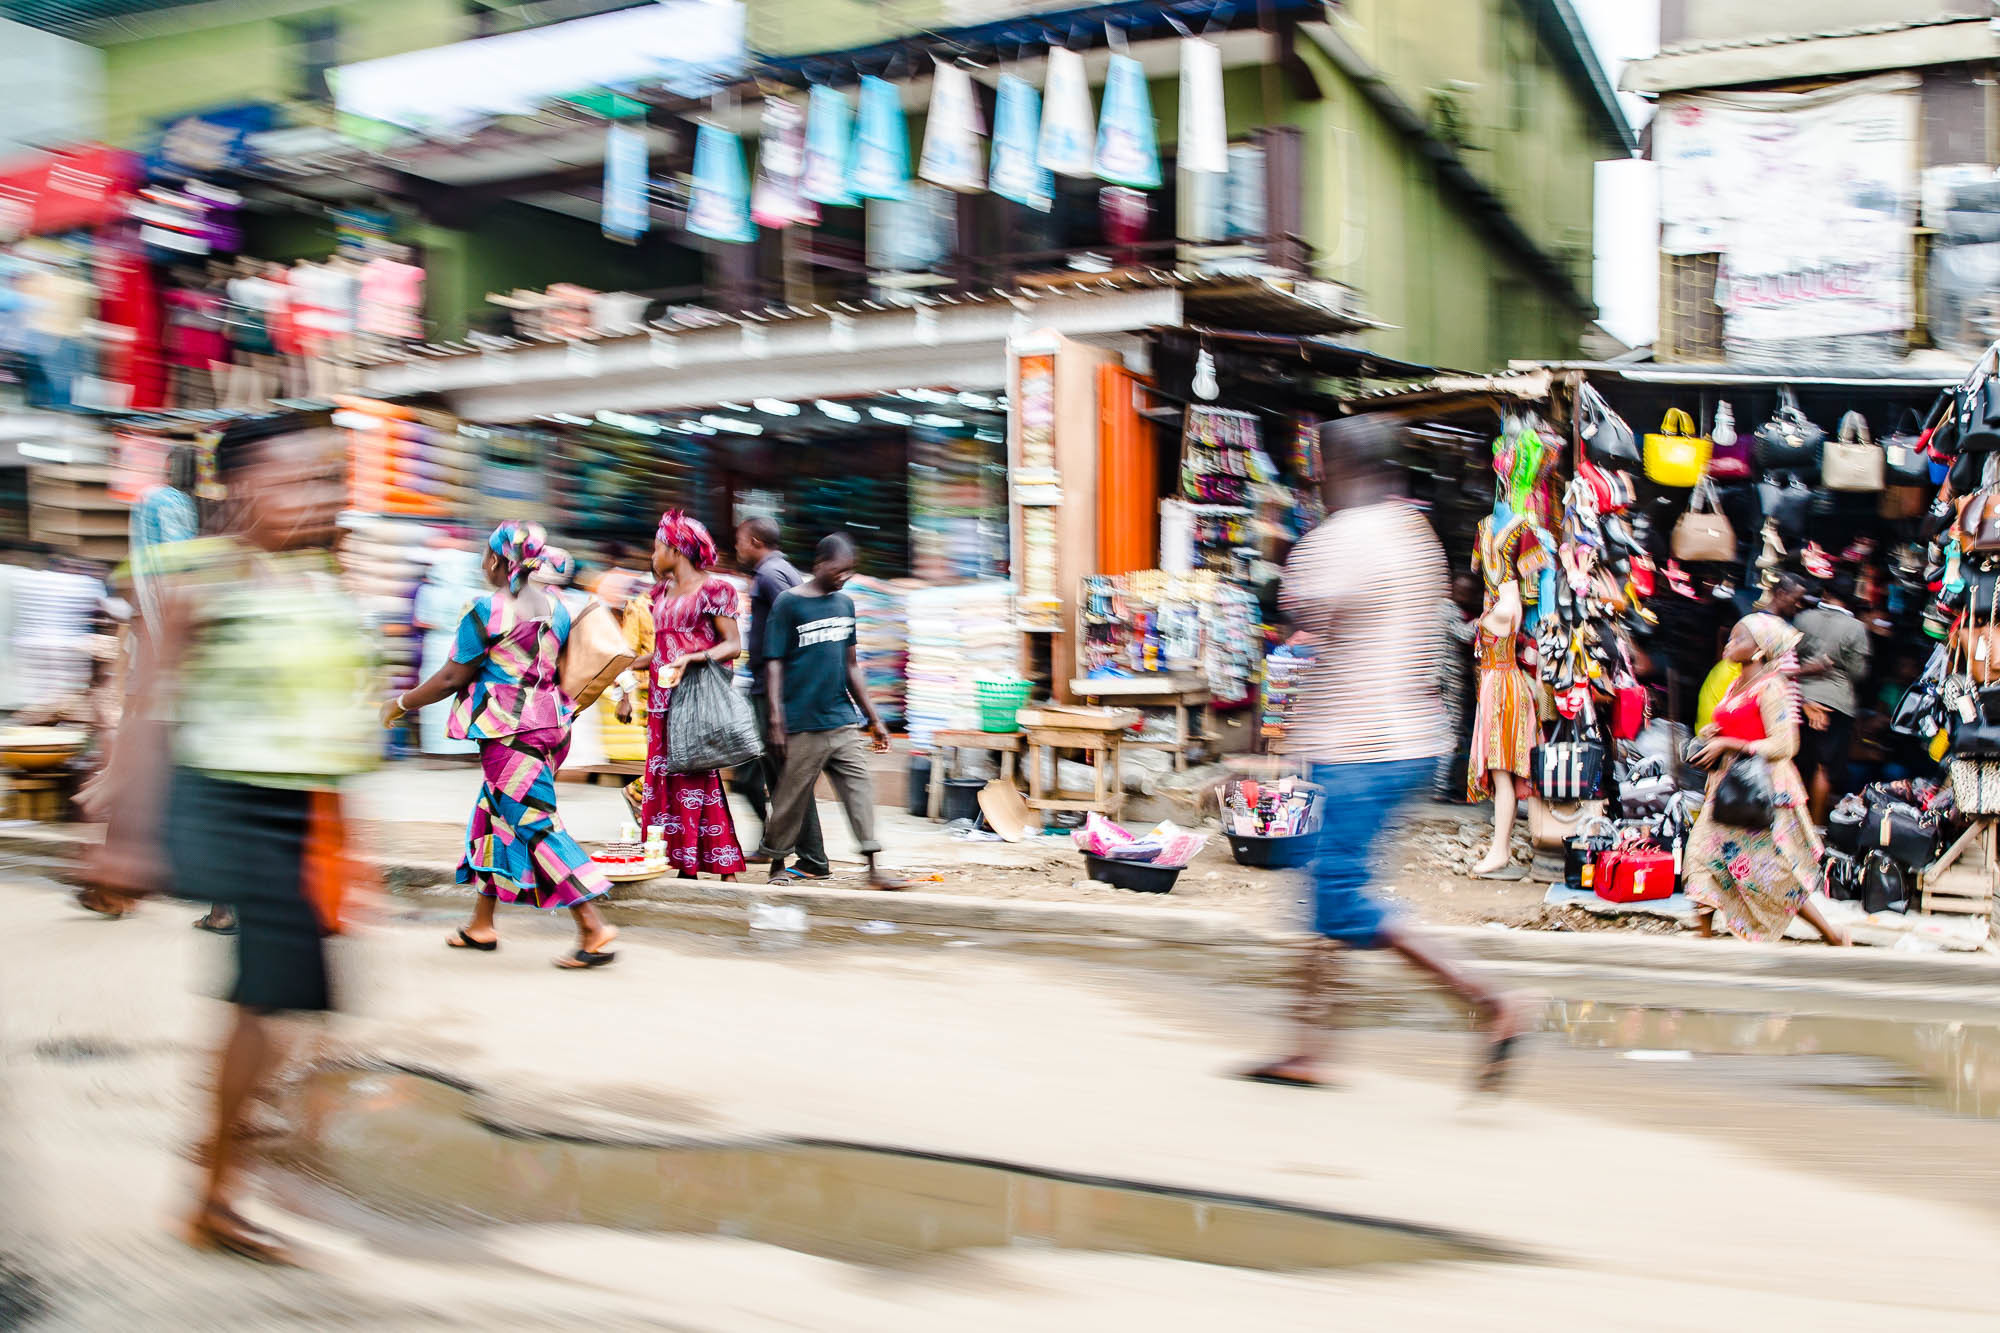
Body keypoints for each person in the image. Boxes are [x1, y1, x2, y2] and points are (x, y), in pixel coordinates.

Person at [147, 414, 377, 1262]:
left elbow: (339, 727)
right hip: (228, 800)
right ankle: (213, 1189)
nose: (317, 494)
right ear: (241, 486)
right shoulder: (202, 578)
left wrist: (351, 848)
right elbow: (149, 705)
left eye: (323, 480)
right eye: (297, 478)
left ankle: (219, 1154)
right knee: (266, 1001)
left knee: (283, 1004)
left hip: (299, 812)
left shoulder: (317, 581)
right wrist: (121, 833)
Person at [1244, 414, 1529, 1092]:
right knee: (1325, 892)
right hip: (1403, 739)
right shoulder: (1414, 532)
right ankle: (1307, 1045)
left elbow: (1295, 613)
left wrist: (1272, 529)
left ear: (1335, 468)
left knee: (1339, 899)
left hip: (1358, 745)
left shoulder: (1343, 537)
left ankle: (1492, 1001)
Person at [392, 521, 620, 967]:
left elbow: (451, 677)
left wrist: (400, 704)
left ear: (497, 560)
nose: (482, 563)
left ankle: (593, 927)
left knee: (535, 824)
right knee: (494, 817)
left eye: (484, 555)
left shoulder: (485, 610)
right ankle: (481, 924)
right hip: (552, 726)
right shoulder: (556, 605)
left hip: (510, 733)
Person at [1684, 613, 1850, 947]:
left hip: (1761, 794)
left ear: (1759, 650)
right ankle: (1701, 944)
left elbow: (1786, 744)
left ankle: (1832, 935)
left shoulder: (1773, 686)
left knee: (1771, 876)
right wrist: (1712, 734)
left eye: (1738, 638)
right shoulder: (1735, 683)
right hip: (1726, 790)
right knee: (1701, 860)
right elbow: (1732, 724)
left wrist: (1730, 744)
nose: (1730, 644)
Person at [757, 533, 905, 889]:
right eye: (838, 570)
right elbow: (773, 663)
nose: (843, 577)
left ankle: (873, 867)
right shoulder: (788, 604)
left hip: (841, 718)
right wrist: (776, 719)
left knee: (860, 789)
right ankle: (777, 864)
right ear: (819, 564)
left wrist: (873, 718)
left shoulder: (844, 604)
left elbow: (852, 665)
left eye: (849, 572)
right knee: (791, 797)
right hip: (802, 722)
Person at [614, 511, 748, 880]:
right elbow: (659, 653)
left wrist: (693, 658)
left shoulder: (716, 590)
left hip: (695, 701)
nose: (652, 556)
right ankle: (680, 862)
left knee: (696, 779)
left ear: (676, 549)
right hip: (660, 703)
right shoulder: (659, 594)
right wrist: (618, 665)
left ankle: (710, 866)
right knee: (663, 780)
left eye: (657, 548)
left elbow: (733, 646)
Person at [733, 516, 829, 880]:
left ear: (755, 540)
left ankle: (803, 856)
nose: (738, 547)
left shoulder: (771, 576)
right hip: (779, 689)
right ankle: (797, 852)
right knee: (780, 776)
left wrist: (779, 691)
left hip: (771, 691)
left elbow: (795, 625)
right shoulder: (785, 570)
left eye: (741, 540)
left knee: (780, 777)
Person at [1794, 573, 1871, 825]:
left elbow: (1790, 656)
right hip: (1836, 702)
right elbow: (1859, 672)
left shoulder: (1803, 618)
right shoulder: (1856, 628)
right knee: (1823, 768)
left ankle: (1792, 822)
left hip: (1800, 698)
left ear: (1826, 594)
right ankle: (1815, 825)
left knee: (1795, 762)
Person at [1433, 572, 1481, 801]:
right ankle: (1441, 788)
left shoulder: (1443, 607)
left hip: (1445, 679)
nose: (1467, 595)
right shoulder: (1448, 608)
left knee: (1447, 733)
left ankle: (1442, 784)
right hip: (1447, 680)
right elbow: (1463, 635)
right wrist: (1486, 619)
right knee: (1449, 734)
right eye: (1465, 590)